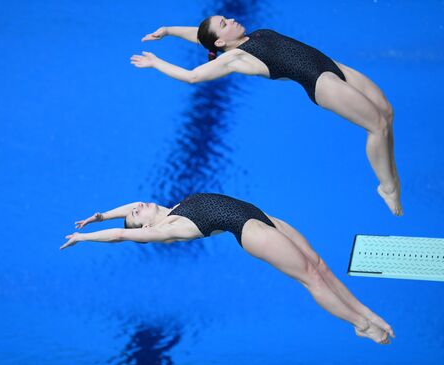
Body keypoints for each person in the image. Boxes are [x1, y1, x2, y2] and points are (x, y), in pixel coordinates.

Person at [131, 18, 403, 216]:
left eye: (225, 19)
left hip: (331, 66)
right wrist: (156, 63)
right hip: (321, 83)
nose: (231, 19)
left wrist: (168, 30)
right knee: (377, 126)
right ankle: (387, 187)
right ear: (222, 42)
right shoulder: (236, 57)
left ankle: (389, 178)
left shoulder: (252, 35)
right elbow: (192, 77)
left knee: (386, 113)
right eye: (224, 24)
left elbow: (202, 36)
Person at [61, 193, 395, 344]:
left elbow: (125, 216)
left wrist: (102, 213)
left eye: (134, 208)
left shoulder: (174, 207)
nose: (137, 207)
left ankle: (367, 314)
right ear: (145, 230)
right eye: (137, 214)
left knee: (319, 263)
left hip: (260, 215)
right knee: (311, 277)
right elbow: (122, 234)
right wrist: (84, 236)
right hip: (251, 232)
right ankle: (361, 324)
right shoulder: (168, 228)